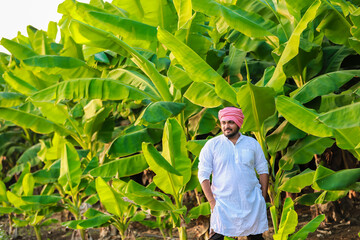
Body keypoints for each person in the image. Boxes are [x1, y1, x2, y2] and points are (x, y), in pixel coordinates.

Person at [198, 107, 269, 240]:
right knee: (217, 236)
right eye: (224, 122)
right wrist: (212, 202)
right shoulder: (212, 145)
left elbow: (263, 169)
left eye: (230, 122)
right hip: (223, 202)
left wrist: (262, 197)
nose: (226, 126)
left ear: (238, 123)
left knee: (256, 237)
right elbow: (203, 175)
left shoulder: (252, 143)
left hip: (251, 202)